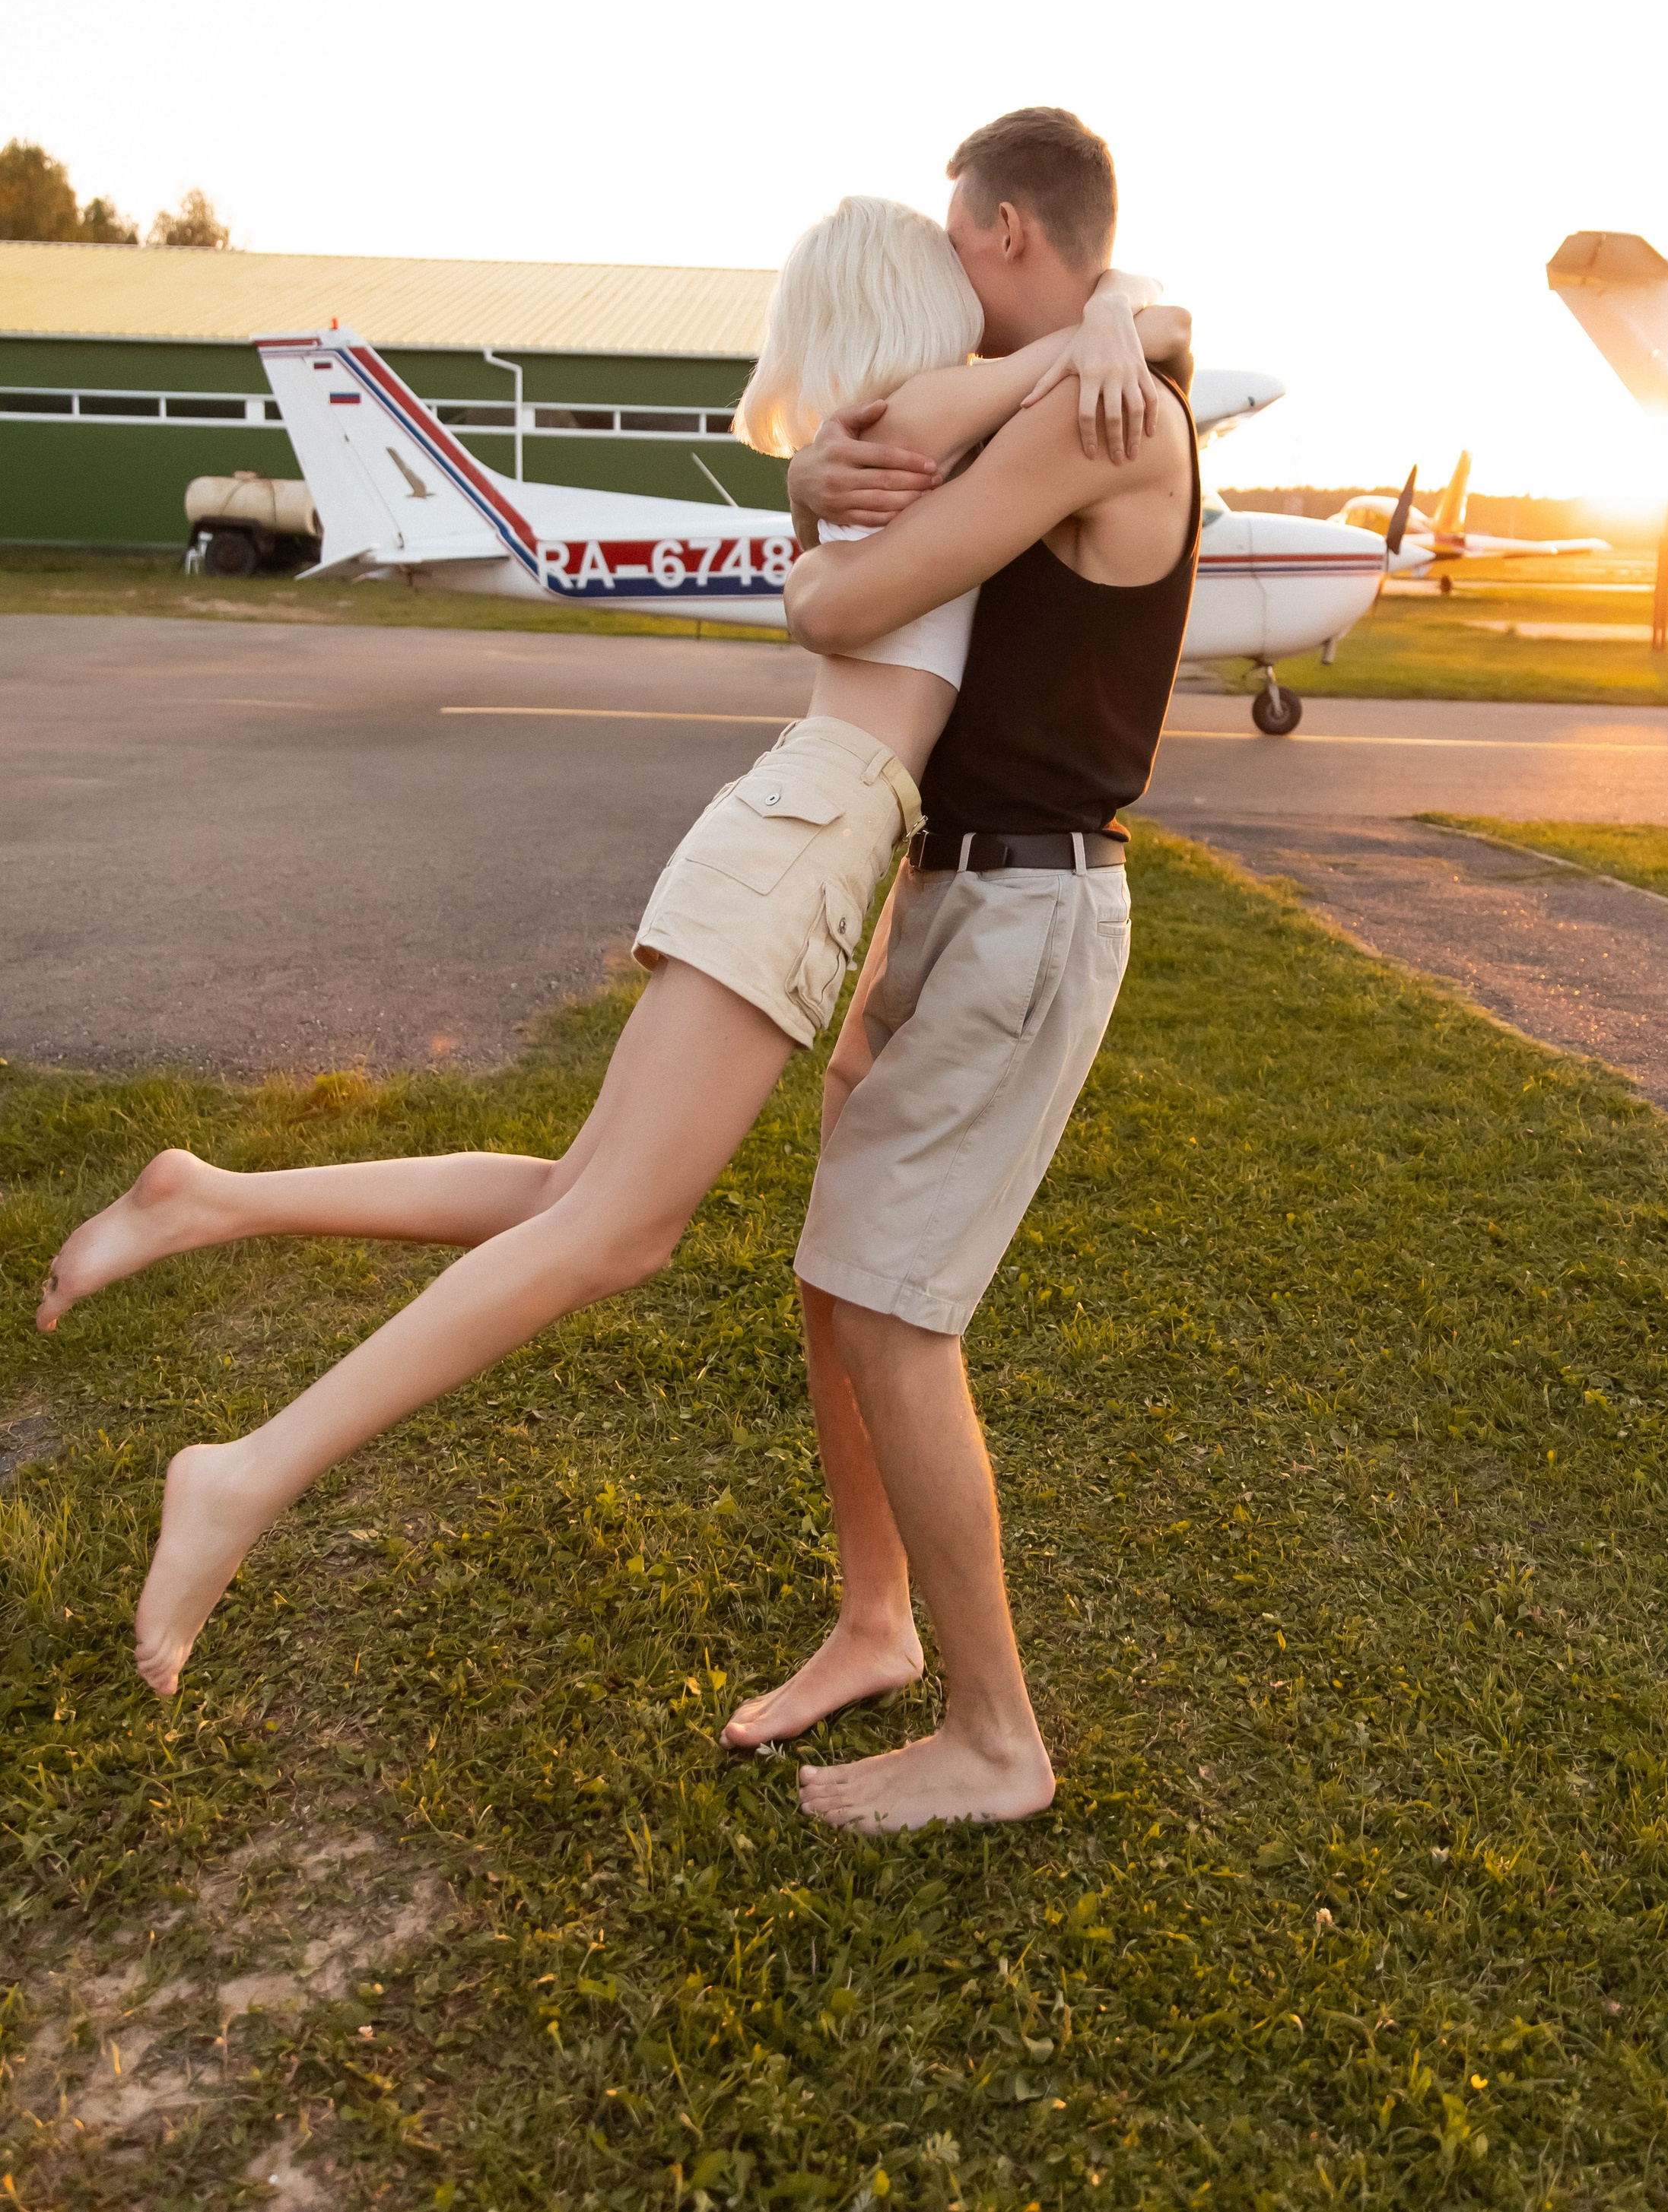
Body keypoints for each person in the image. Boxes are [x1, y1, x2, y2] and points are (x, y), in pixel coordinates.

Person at [37, 188, 1187, 1703]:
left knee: (579, 1192)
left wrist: (1117, 315)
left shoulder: (895, 430)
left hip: (805, 829)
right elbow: (1077, 359)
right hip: (809, 835)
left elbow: (1134, 331)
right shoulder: (912, 421)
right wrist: (1102, 326)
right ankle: (244, 1474)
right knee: (615, 1230)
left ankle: (208, 1200)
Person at [717, 105, 1202, 1833]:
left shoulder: (1096, 405)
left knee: (897, 1310)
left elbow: (847, 607)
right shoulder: (1082, 359)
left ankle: (996, 1738)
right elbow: (877, 460)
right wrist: (810, 471)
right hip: (955, 892)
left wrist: (1081, 339)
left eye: (953, 243)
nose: (941, 281)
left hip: (1030, 907)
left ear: (1003, 232)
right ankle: (873, 1623)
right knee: (830, 1278)